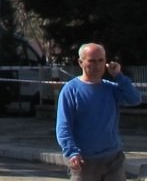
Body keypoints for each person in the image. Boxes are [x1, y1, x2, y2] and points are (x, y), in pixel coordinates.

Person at [56, 42, 141, 180]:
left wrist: (118, 76)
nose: (97, 65)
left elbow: (134, 99)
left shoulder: (111, 88)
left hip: (113, 159)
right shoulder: (71, 90)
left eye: (101, 60)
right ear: (81, 62)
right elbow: (63, 126)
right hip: (85, 161)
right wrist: (71, 152)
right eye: (92, 61)